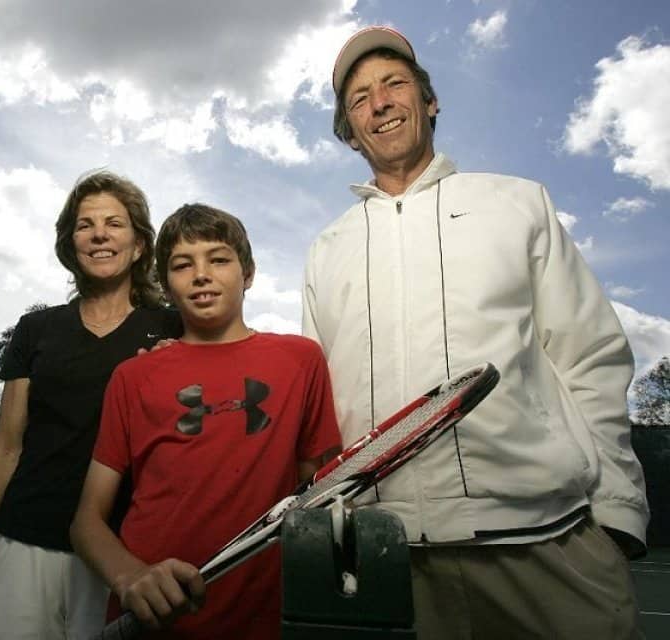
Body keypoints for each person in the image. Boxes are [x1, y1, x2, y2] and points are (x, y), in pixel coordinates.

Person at [302, 25, 650, 639]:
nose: (379, 102)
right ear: (350, 132)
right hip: (388, 560)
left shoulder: (519, 203)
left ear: (428, 101)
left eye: (394, 84)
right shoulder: (326, 250)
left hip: (548, 544)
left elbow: (589, 354)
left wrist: (617, 513)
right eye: (359, 99)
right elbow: (319, 410)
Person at [70, 203, 342, 639]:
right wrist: (130, 576)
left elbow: (315, 491)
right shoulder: (133, 376)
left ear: (247, 273)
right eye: (182, 264)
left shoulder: (300, 360)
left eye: (218, 259)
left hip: (265, 616)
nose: (201, 274)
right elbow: (86, 521)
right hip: (151, 618)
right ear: (165, 283)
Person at [0, 171, 183, 640]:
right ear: (70, 244)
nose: (98, 234)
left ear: (138, 245)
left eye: (114, 223)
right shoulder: (36, 329)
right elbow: (6, 448)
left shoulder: (172, 329)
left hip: (126, 553)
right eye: (84, 224)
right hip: (26, 542)